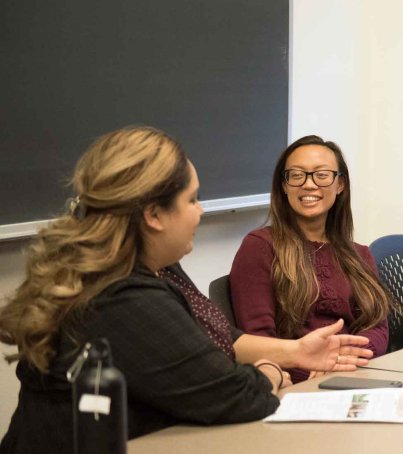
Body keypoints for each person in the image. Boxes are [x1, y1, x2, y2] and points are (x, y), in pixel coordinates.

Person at [0, 127, 373, 453]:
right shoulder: (123, 297)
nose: (200, 212)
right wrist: (272, 371)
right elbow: (239, 397)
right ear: (154, 215)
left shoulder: (154, 268)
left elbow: (218, 334)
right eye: (192, 199)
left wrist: (294, 351)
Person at [230, 135, 390, 383]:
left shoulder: (359, 254)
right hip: (292, 384)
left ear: (340, 185)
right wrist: (314, 368)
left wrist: (340, 361)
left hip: (355, 374)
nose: (308, 184)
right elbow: (258, 340)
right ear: (284, 186)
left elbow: (377, 327)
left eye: (322, 175)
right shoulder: (259, 247)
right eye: (296, 175)